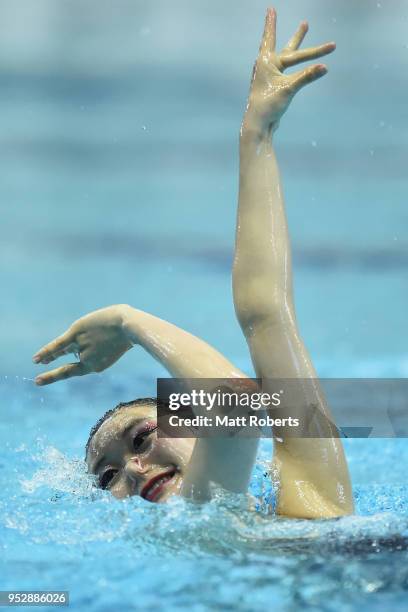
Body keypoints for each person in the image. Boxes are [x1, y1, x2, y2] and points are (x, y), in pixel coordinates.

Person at [32, 8, 354, 518]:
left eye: (141, 440)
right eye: (108, 477)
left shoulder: (303, 490)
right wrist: (125, 320)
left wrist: (255, 134)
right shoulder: (309, 503)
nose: (134, 471)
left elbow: (263, 324)